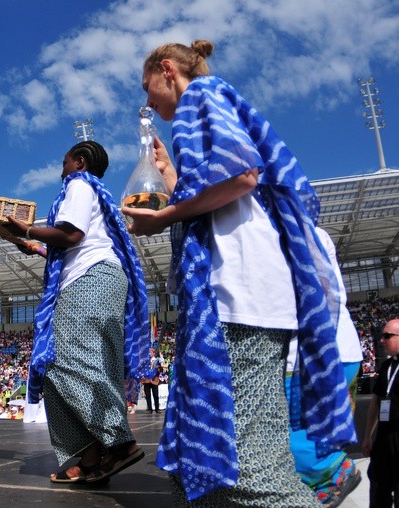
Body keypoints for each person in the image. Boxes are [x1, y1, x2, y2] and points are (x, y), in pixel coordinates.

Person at [124, 40, 356, 505]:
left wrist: (165, 216)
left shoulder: (202, 97)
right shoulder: (205, 110)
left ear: (167, 69)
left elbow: (242, 176)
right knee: (197, 464)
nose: (147, 102)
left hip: (240, 296)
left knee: (247, 470)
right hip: (233, 296)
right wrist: (171, 177)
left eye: (148, 87)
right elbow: (221, 197)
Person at [6, 140, 150, 484]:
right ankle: (90, 458)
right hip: (96, 276)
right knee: (67, 366)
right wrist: (37, 246)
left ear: (80, 162)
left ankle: (118, 442)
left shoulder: (79, 184)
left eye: (65, 161)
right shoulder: (96, 192)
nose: (62, 169)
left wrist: (24, 228)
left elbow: (71, 234)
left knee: (67, 361)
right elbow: (79, 244)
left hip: (89, 281)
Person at [285, 227, 363, 506]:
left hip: (320, 357)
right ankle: (319, 485)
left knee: (293, 438)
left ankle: (333, 475)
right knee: (299, 437)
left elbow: (320, 285)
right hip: (321, 356)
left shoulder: (298, 229)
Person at [363, 319, 399, 507]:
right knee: (378, 486)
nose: (382, 340)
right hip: (384, 436)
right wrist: (368, 435)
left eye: (387, 336)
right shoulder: (386, 367)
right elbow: (376, 402)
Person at [141, 348, 162, 414]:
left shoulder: (157, 360)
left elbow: (161, 368)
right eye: (149, 352)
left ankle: (157, 409)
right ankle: (150, 409)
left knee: (155, 395)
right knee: (148, 395)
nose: (149, 353)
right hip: (146, 380)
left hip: (154, 380)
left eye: (151, 352)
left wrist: (158, 368)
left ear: (153, 353)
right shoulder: (144, 361)